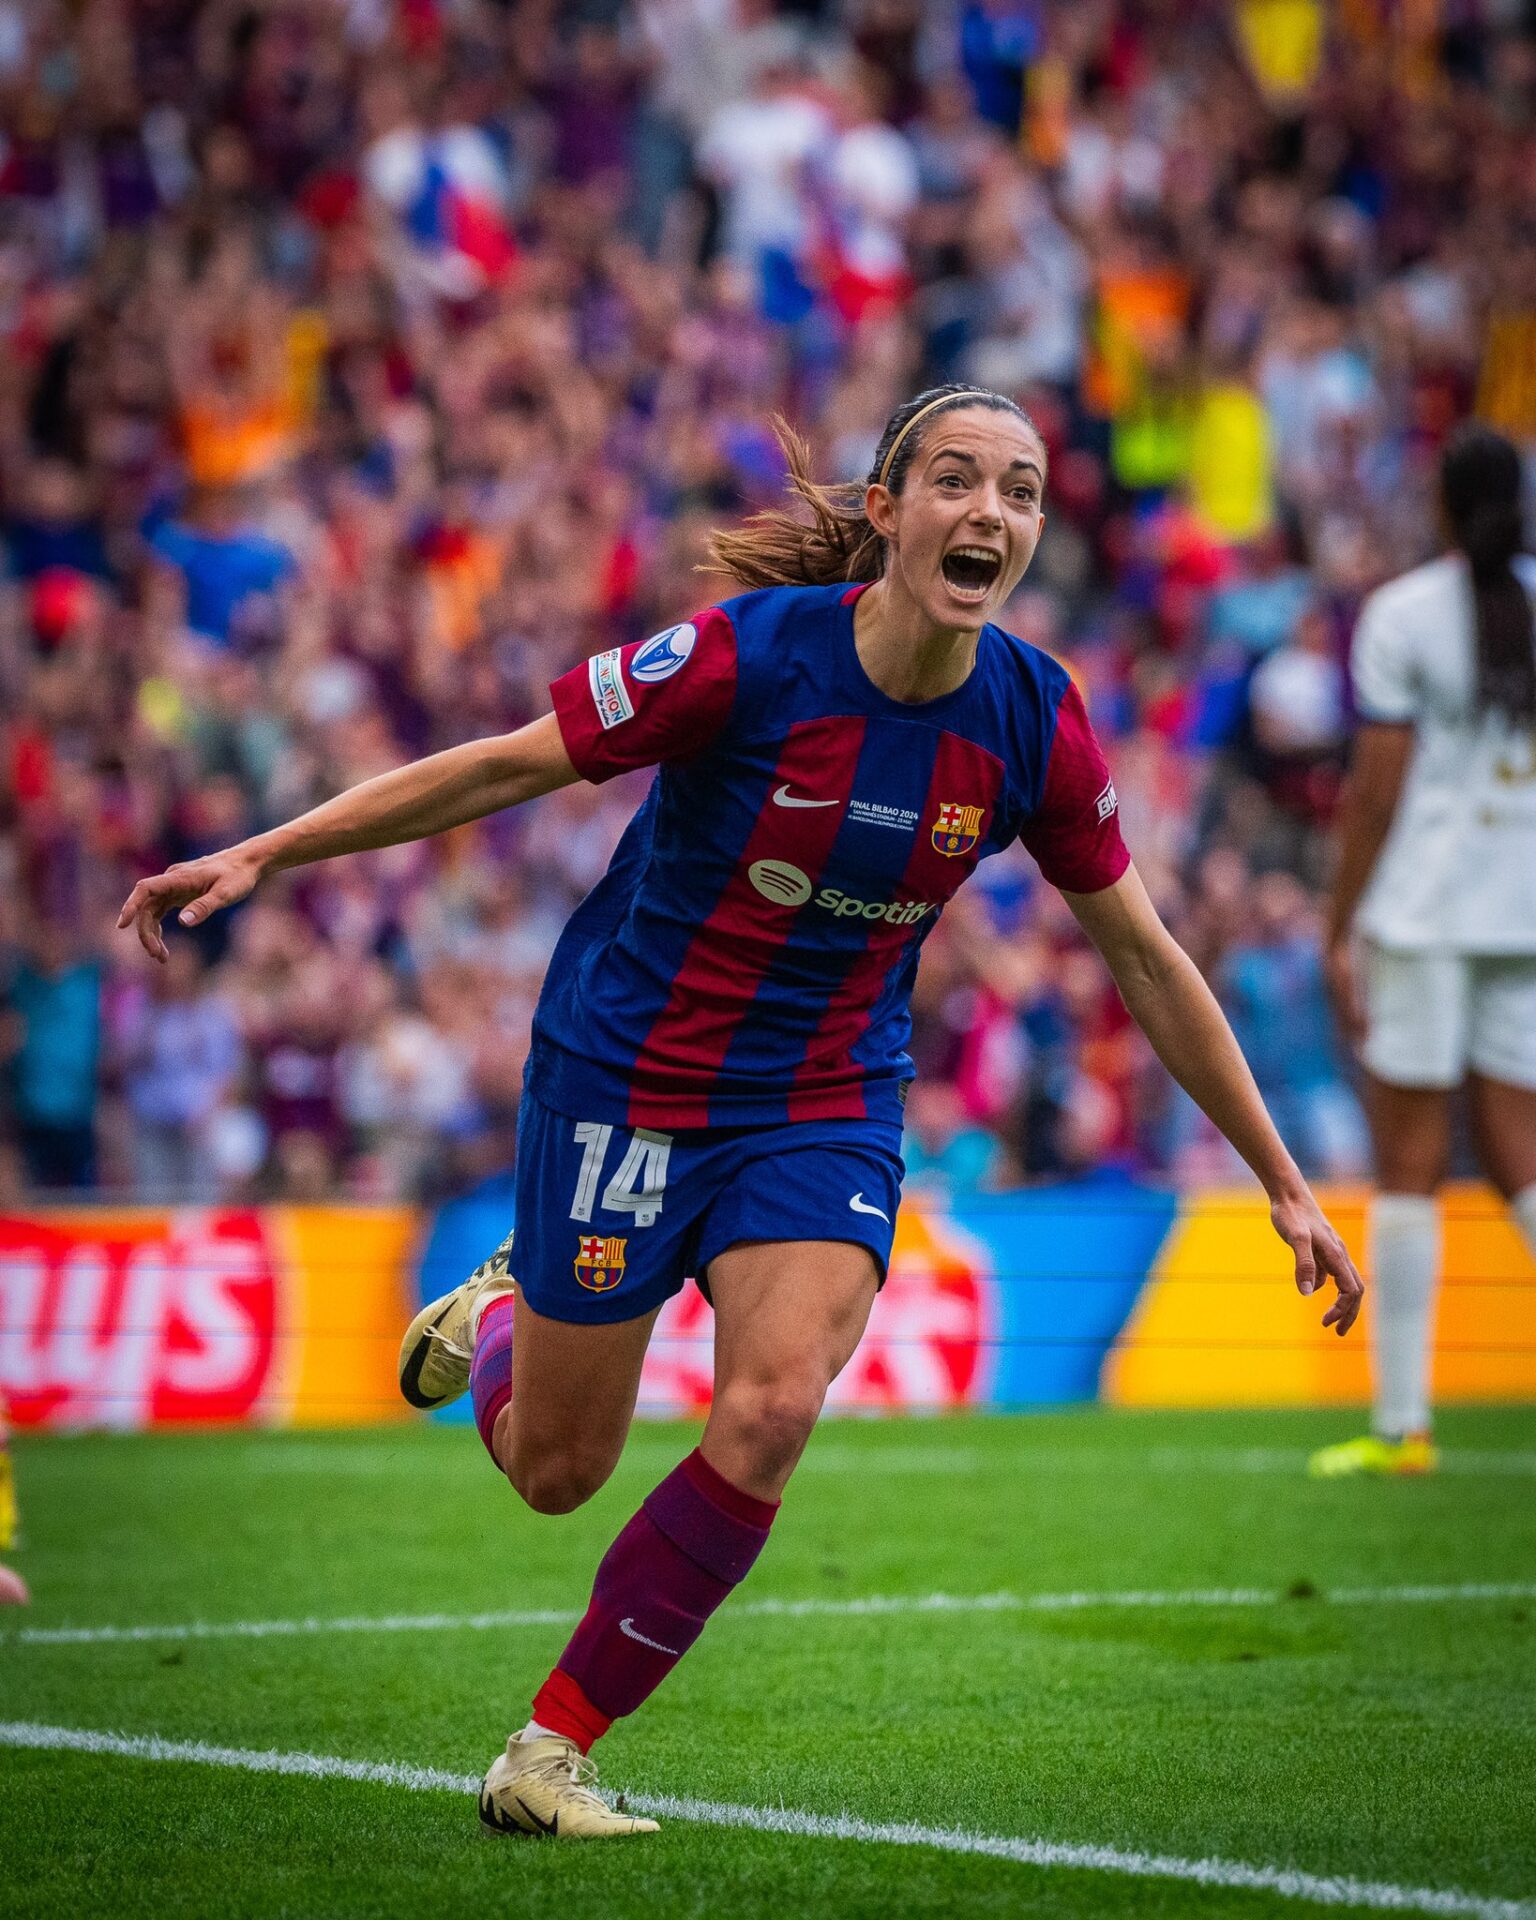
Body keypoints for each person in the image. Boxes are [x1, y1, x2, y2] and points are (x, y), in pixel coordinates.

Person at [119, 384, 1362, 1839]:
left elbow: (1147, 955)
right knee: (554, 1474)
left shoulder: (1032, 715)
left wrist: (1279, 1177)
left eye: (1019, 492)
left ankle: (549, 1754)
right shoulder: (741, 660)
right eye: (955, 481)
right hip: (628, 1073)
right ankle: (510, 1319)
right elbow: (507, 763)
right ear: (888, 512)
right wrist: (266, 854)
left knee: (773, 1404)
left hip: (823, 1098)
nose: (992, 514)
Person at [1315, 424, 1536, 1478]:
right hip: (1522, 917)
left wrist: (1338, 920)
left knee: (1408, 1165)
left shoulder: (1403, 615)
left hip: (1421, 910)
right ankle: (1401, 1426)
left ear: (1441, 509)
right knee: (1519, 1159)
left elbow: (1379, 789)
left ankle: (1402, 1427)